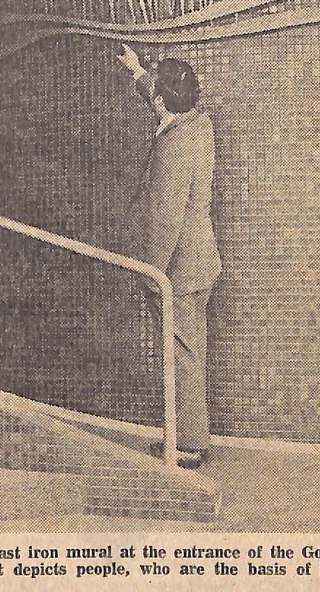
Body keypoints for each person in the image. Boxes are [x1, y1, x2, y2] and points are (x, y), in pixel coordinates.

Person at [117, 44, 222, 468]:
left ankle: (190, 445)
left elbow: (165, 222)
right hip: (202, 259)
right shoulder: (199, 125)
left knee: (182, 354)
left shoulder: (172, 149)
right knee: (189, 349)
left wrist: (149, 273)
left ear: (164, 101)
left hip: (179, 268)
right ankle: (190, 437)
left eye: (155, 93)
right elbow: (161, 98)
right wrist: (138, 72)